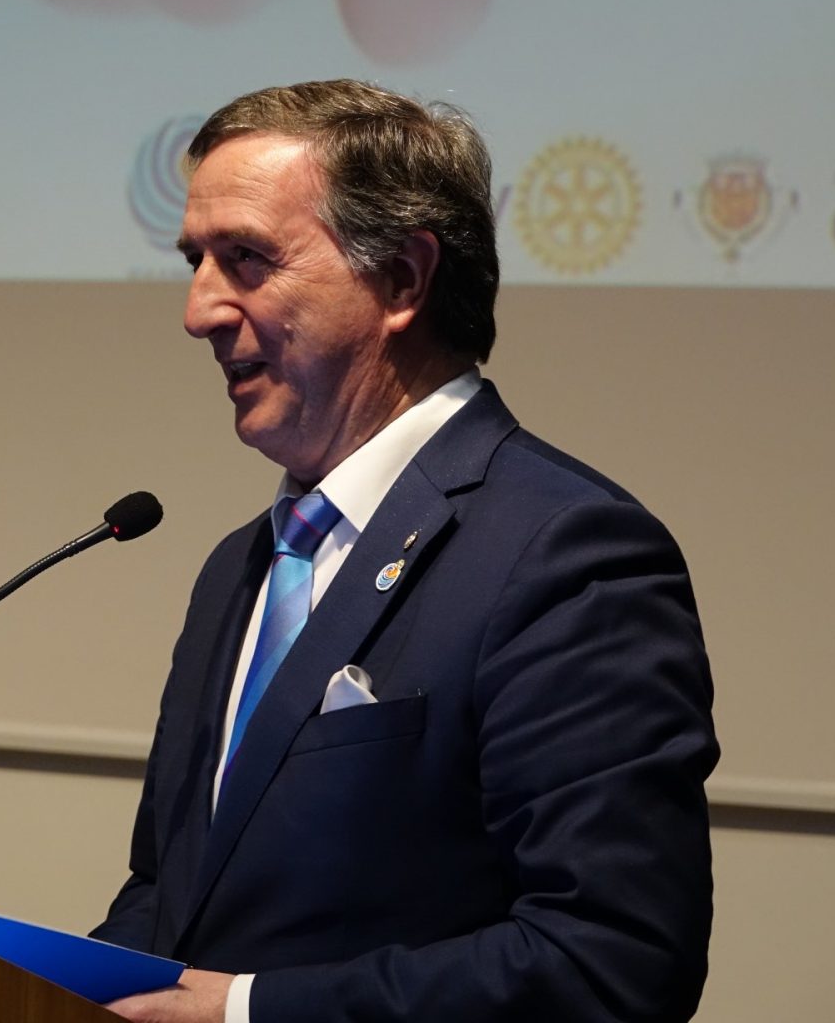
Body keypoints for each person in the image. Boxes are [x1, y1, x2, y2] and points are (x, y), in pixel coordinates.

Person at [91, 79, 718, 1023]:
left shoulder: (566, 554)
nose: (199, 310)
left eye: (247, 259)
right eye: (195, 262)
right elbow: (173, 894)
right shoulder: (240, 566)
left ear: (402, 280)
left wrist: (245, 1012)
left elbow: (611, 962)